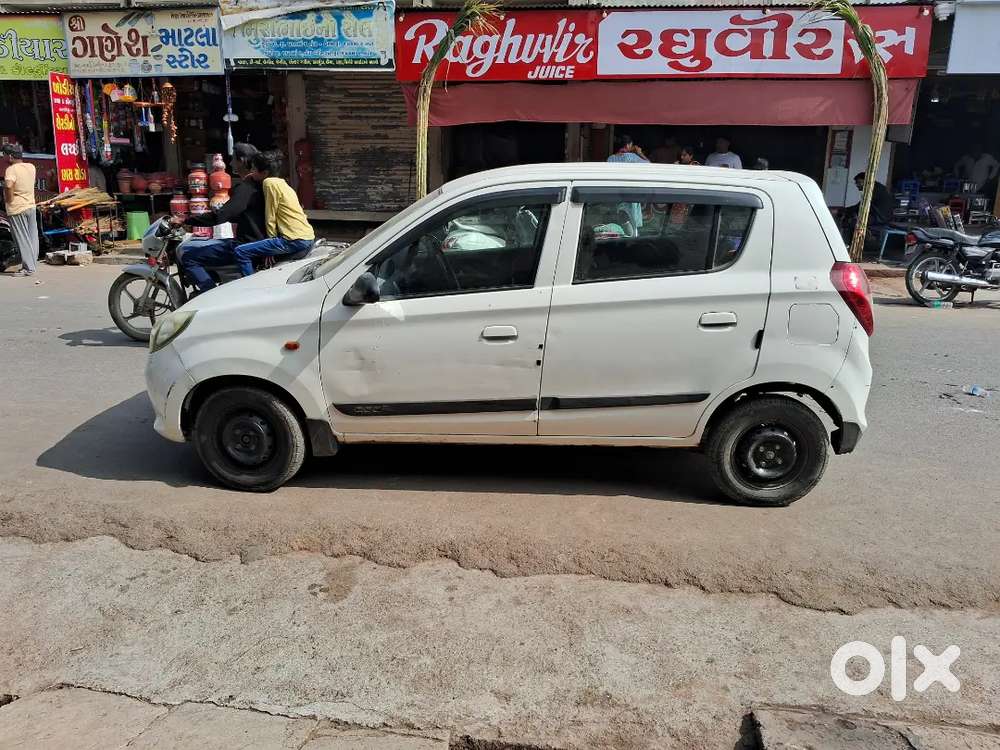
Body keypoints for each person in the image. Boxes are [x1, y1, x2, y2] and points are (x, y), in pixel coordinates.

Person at [173, 143, 266, 292]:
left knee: (189, 256)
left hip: (246, 244)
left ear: (242, 160)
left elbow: (221, 216)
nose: (230, 163)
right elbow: (236, 214)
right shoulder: (258, 184)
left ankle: (208, 297)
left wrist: (185, 220)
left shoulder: (246, 187)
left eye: (233, 159)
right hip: (256, 241)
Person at [232, 152, 314, 276]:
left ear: (264, 173)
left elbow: (270, 215)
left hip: (292, 239)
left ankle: (249, 288)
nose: (251, 171)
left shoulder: (269, 183)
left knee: (241, 252)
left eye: (254, 168)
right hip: (307, 236)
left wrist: (270, 248)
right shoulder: (283, 183)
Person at [2, 143, 39, 278]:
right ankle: (32, 264)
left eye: (5, 155)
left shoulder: (11, 169)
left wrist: (9, 200)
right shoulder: (31, 167)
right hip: (30, 206)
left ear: (11, 156)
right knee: (32, 237)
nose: (4, 157)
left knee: (22, 239)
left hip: (17, 208)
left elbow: (8, 185)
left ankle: (28, 269)